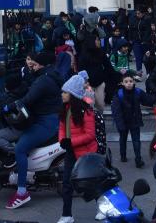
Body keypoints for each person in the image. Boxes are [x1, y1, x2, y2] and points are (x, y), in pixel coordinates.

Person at [5, 50, 63, 210]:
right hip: (48, 119)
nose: (32, 66)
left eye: (35, 64)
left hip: (46, 123)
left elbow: (27, 99)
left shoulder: (43, 80)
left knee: (20, 149)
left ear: (42, 65)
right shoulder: (48, 76)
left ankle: (22, 192)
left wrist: (4, 107)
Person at [56, 71, 99, 223]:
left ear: (72, 94)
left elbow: (90, 135)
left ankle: (102, 207)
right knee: (66, 183)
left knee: (91, 182)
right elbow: (61, 127)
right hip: (71, 151)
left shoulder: (86, 111)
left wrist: (70, 142)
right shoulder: (65, 109)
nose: (62, 94)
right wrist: (63, 140)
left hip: (86, 153)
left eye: (65, 92)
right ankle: (66, 215)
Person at [112, 71, 156, 168]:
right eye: (126, 81)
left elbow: (147, 100)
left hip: (135, 120)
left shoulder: (138, 92)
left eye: (131, 81)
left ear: (134, 82)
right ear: (122, 83)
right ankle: (123, 156)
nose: (129, 83)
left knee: (136, 141)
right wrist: (120, 124)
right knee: (123, 139)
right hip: (123, 122)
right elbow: (116, 111)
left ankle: (138, 159)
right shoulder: (119, 94)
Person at [78, 36, 117, 112]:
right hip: (87, 84)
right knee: (89, 105)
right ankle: (91, 121)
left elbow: (108, 67)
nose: (99, 42)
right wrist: (85, 82)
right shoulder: (83, 54)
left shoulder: (101, 53)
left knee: (100, 104)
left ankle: (99, 120)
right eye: (97, 40)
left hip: (99, 83)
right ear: (91, 42)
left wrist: (105, 77)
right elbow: (81, 70)